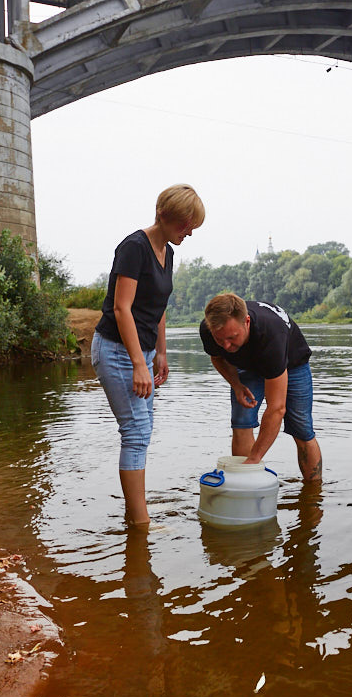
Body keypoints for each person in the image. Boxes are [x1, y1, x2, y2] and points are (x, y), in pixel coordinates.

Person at [92, 184, 205, 529]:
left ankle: (134, 517)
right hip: (116, 350)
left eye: (192, 227)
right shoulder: (134, 247)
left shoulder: (167, 252)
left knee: (142, 430)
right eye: (185, 225)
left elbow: (158, 307)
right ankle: (140, 525)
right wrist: (138, 363)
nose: (189, 233)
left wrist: (161, 352)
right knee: (136, 431)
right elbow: (121, 308)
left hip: (144, 351)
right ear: (163, 215)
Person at [199, 293, 322, 482]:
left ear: (246, 322)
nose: (226, 345)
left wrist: (254, 459)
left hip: (292, 363)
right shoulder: (209, 329)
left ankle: (313, 491)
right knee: (242, 421)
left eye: (232, 337)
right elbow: (217, 357)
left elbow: (276, 408)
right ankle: (244, 484)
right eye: (220, 339)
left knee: (302, 428)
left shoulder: (271, 334)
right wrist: (236, 385)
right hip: (248, 366)